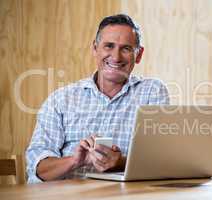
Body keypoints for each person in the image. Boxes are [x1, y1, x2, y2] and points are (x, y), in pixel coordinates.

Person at [26, 14, 169, 183]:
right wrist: (76, 161)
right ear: (95, 49)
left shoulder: (152, 92)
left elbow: (160, 161)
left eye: (126, 48)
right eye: (109, 46)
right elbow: (38, 169)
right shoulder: (61, 100)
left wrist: (120, 162)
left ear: (138, 55)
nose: (116, 57)